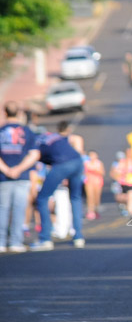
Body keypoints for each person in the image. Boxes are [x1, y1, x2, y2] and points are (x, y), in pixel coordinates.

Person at [9, 121, 87, 250]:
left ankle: (45, 239)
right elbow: (74, 140)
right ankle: (78, 237)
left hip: (61, 164)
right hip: (77, 161)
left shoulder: (35, 141)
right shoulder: (54, 136)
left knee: (42, 198)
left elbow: (34, 156)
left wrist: (18, 169)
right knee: (75, 198)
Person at [0, 102, 37, 253]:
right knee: (19, 209)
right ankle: (16, 241)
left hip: (3, 176)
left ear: (5, 113)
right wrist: (18, 169)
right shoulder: (27, 131)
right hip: (22, 176)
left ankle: (1, 242)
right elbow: (34, 154)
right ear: (19, 113)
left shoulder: (1, 130)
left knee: (2, 209)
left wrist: (7, 170)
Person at [83, 150, 105, 220]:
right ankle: (90, 211)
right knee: (90, 197)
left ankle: (96, 210)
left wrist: (94, 171)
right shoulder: (86, 163)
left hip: (97, 182)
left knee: (96, 198)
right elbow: (83, 172)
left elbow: (102, 172)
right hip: (89, 182)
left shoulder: (99, 163)